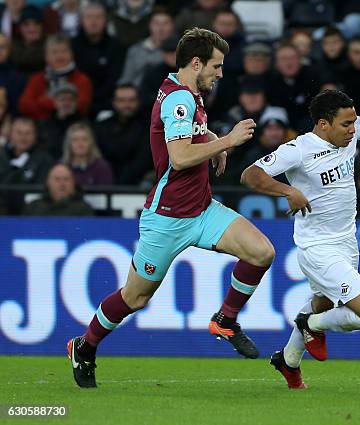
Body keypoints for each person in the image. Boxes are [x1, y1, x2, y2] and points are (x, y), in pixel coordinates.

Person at [67, 28, 275, 388]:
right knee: (135, 297)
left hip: (203, 210)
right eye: (216, 66)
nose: (220, 73)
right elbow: (178, 158)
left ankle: (225, 320)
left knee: (262, 253)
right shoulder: (178, 99)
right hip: (167, 219)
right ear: (196, 63)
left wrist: (211, 140)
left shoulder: (186, 92)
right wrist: (227, 140)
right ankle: (85, 346)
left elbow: (185, 133)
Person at [241, 89, 360, 389]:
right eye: (346, 124)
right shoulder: (298, 149)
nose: (354, 129)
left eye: (354, 122)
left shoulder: (349, 135)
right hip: (318, 249)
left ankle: (288, 361)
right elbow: (250, 175)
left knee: (322, 302)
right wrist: (289, 191)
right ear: (324, 124)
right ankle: (309, 325)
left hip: (347, 242)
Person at [22, 163, 94, 216]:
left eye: (66, 179)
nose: (62, 183)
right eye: (57, 179)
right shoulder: (33, 207)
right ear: (48, 182)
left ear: (73, 183)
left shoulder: (83, 209)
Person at [61, 121, 113, 186]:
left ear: (91, 143)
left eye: (84, 139)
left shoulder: (102, 168)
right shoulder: (61, 167)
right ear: (69, 144)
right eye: (75, 139)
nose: (80, 143)